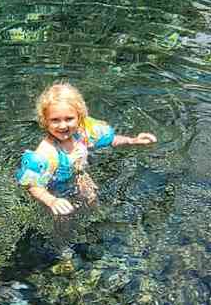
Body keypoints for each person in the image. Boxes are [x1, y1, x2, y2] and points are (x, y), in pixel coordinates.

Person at [16, 82, 157, 222]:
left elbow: (111, 140)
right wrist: (52, 200)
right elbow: (33, 185)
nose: (63, 125)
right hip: (55, 188)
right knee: (62, 218)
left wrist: (132, 140)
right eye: (55, 120)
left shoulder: (83, 132)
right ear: (45, 121)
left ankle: (98, 223)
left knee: (93, 203)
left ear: (80, 117)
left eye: (69, 119)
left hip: (80, 175)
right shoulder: (46, 153)